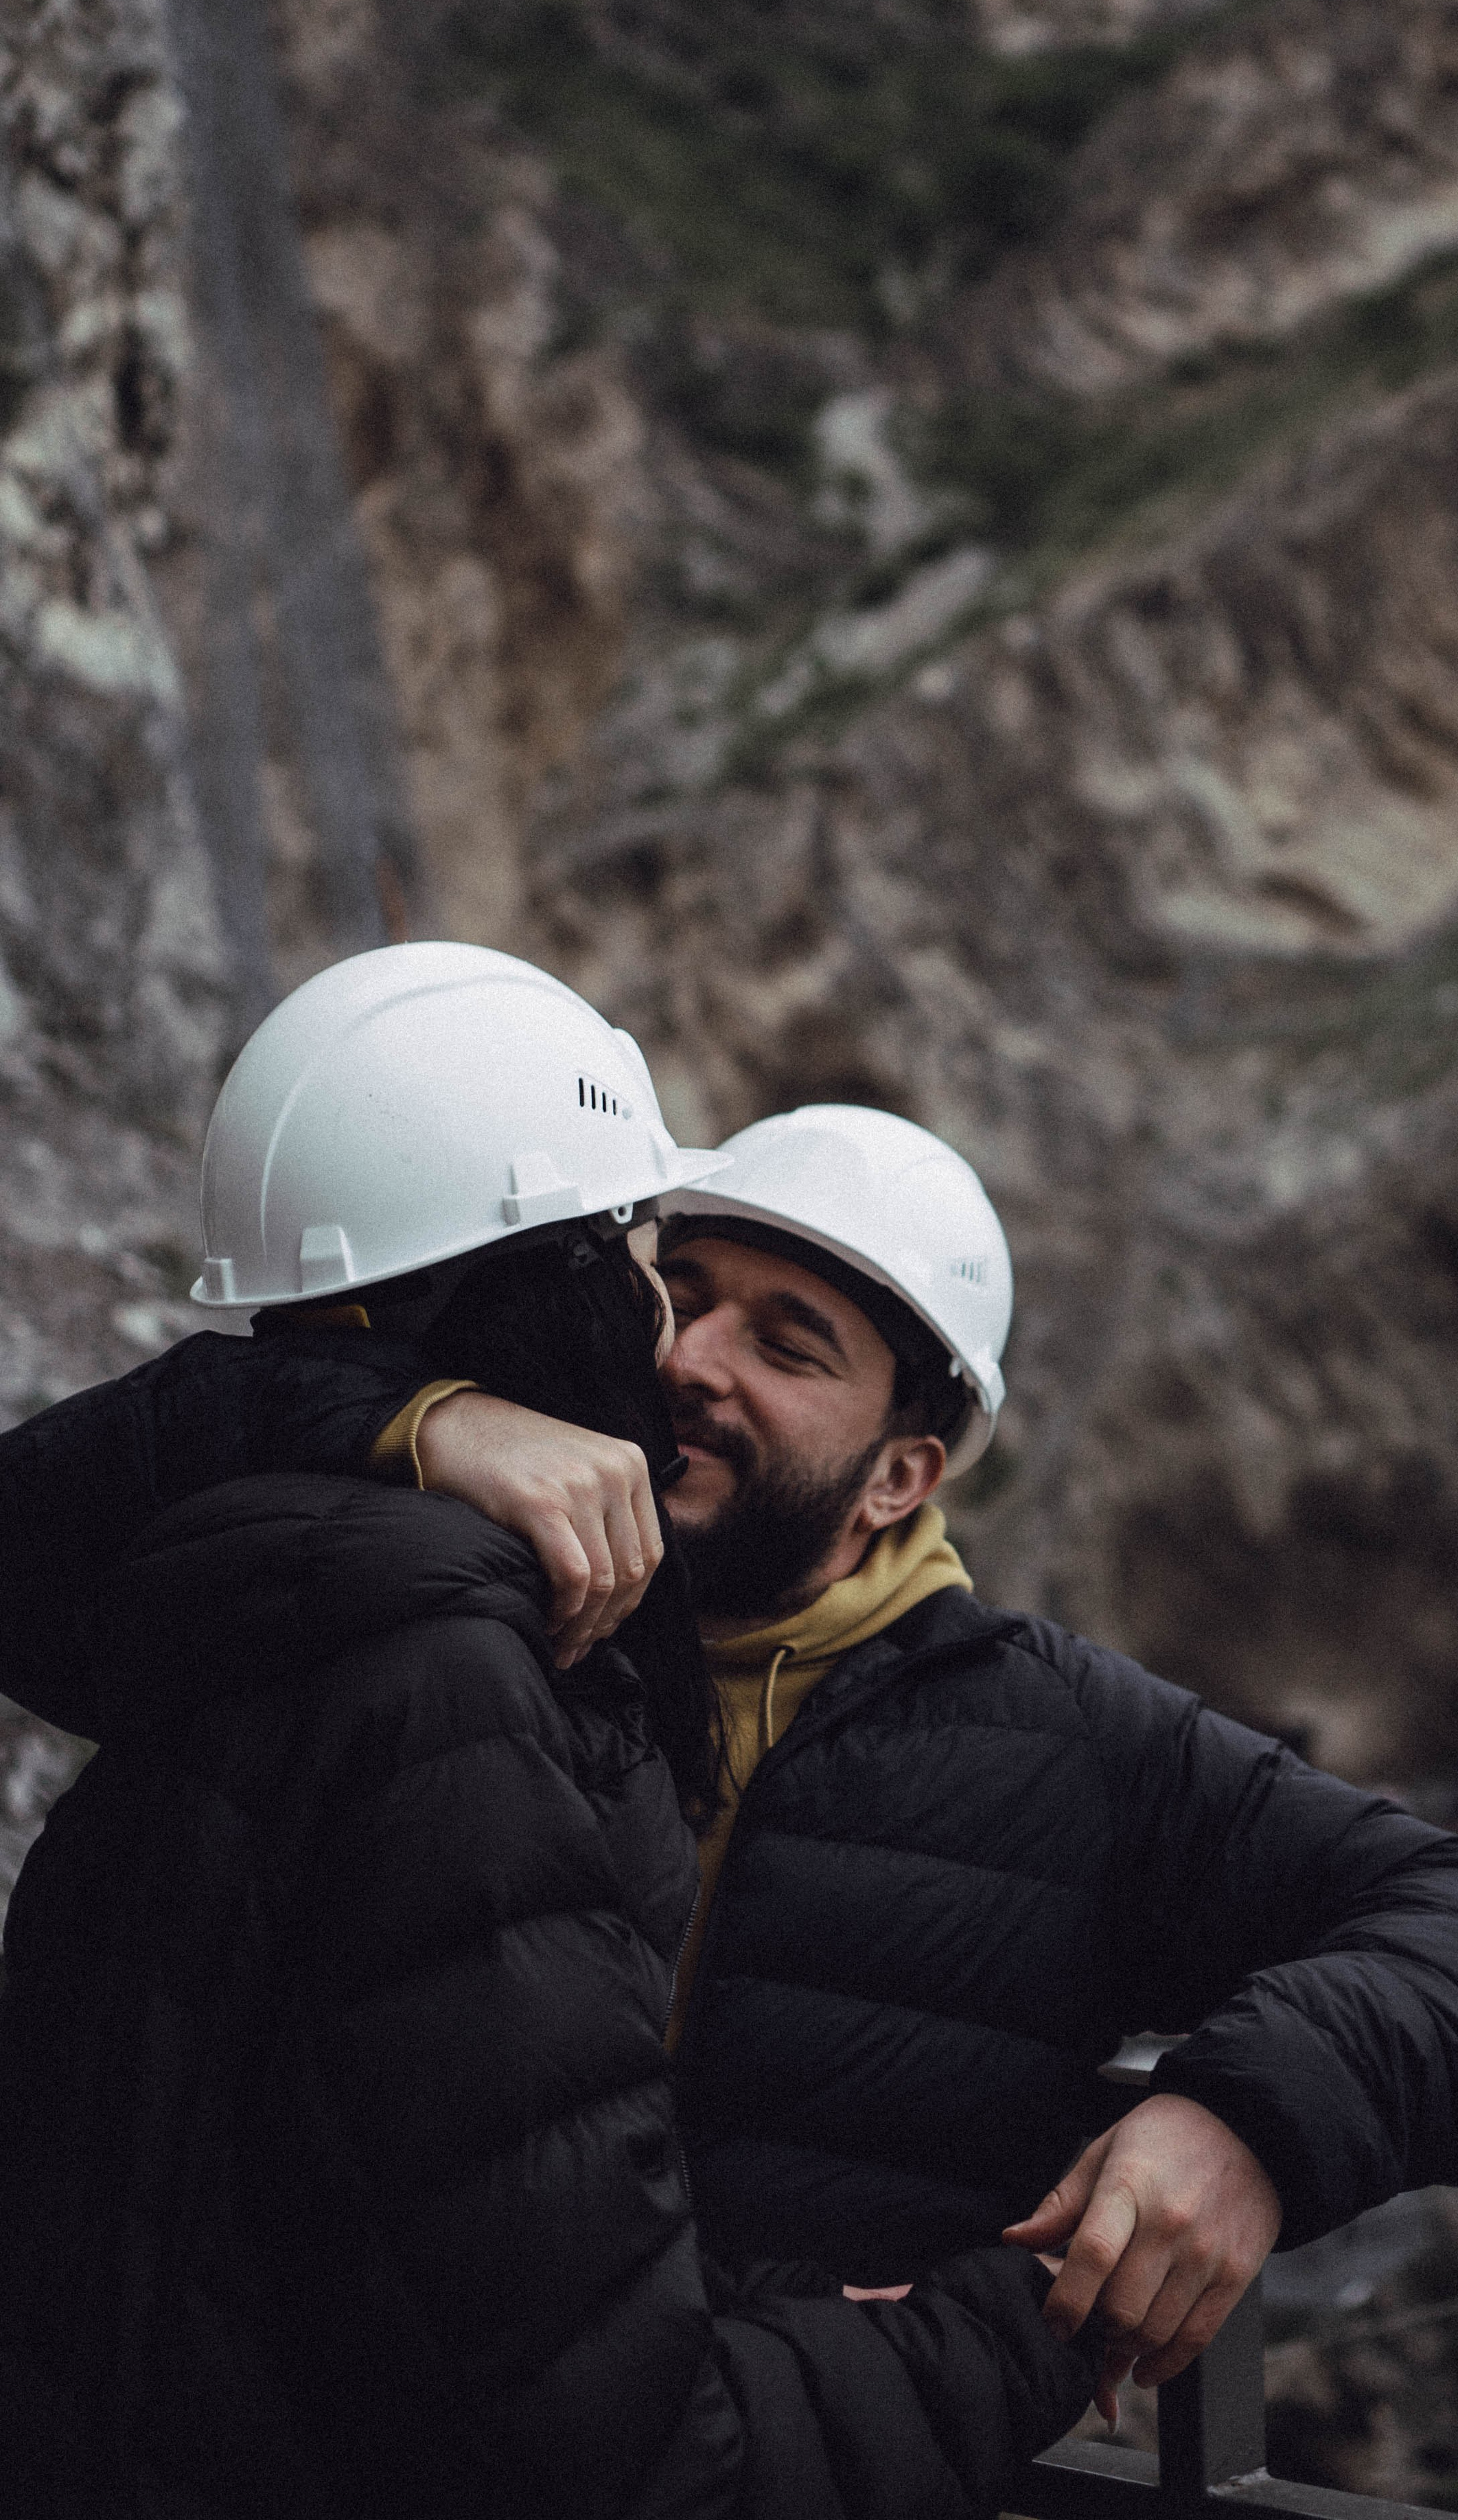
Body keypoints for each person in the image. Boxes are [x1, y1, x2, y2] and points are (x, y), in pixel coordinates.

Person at [0, 994, 1458, 2425]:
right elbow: (47, 1535)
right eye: (675, 1292)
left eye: (787, 1343)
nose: (689, 1361)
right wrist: (413, 1418)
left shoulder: (1067, 1747)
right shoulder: (474, 1616)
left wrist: (1244, 2125)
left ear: (902, 1475)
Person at [0, 947, 1099, 2520]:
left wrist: (398, 1413)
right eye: (651, 1260)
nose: (671, 1337)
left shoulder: (232, 1608)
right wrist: (1024, 2323)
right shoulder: (456, 1689)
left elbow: (394, 2219)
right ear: (564, 1289)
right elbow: (639, 2465)